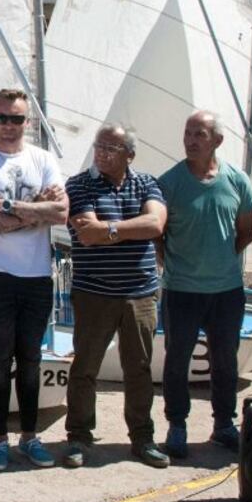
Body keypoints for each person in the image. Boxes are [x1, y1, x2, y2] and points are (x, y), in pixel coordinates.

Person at [0, 89, 68, 471]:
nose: (9, 125)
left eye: (17, 118)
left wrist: (9, 206)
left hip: (36, 275)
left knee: (30, 359)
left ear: (29, 122)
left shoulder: (43, 159)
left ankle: (29, 437)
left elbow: (60, 212)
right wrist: (34, 210)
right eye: (2, 117)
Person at [64, 124, 170, 469]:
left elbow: (155, 226)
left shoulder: (148, 183)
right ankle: (79, 436)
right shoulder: (78, 185)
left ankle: (142, 437)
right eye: (99, 145)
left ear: (130, 155)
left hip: (140, 293)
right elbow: (88, 235)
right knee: (85, 368)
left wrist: (109, 228)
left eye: (111, 147)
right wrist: (129, 228)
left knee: (139, 369)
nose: (102, 152)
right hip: (94, 293)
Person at [159, 110, 252, 458]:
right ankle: (177, 424)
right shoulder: (169, 182)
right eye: (187, 132)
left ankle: (224, 424)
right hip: (181, 290)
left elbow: (246, 230)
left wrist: (220, 261)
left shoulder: (237, 180)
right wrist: (173, 265)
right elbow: (159, 233)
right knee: (176, 360)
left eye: (199, 133)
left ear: (217, 140)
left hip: (226, 291)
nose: (190, 140)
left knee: (225, 360)